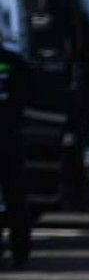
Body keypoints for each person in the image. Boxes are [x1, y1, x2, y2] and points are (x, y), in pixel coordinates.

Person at [0, 44, 32, 268]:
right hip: (11, 134)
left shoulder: (14, 62)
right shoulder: (15, 61)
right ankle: (20, 251)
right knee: (15, 195)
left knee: (15, 196)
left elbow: (26, 97)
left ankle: (20, 250)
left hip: (9, 135)